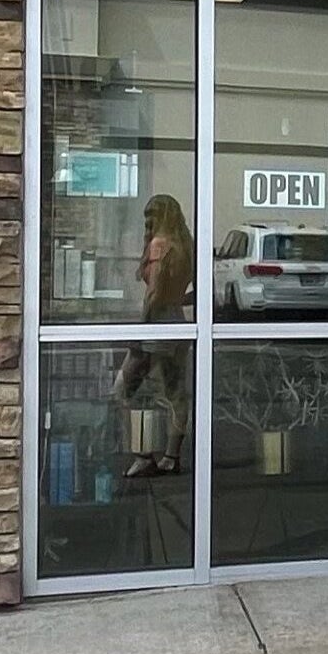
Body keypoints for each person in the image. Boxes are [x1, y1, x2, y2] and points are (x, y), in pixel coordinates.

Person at [116, 193, 194, 477]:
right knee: (175, 394)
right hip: (179, 324)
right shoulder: (186, 245)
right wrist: (178, 302)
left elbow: (153, 295)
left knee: (123, 388)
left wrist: (140, 331)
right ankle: (172, 456)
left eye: (152, 215)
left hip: (156, 324)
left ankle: (143, 453)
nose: (148, 221)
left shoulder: (159, 245)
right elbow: (200, 292)